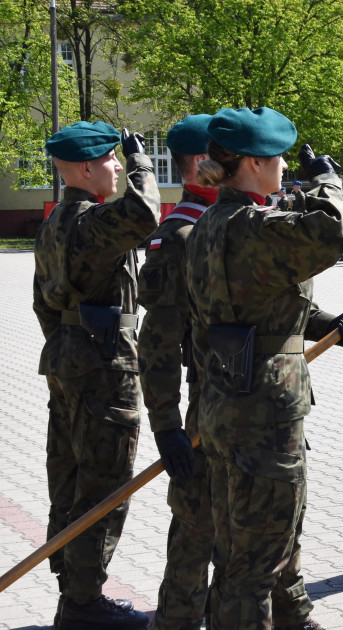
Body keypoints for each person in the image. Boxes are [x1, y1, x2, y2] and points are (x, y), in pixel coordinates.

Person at [185, 106, 343, 629]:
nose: (286, 166)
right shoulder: (254, 226)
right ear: (251, 162)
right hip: (263, 416)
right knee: (254, 563)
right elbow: (331, 235)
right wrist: (329, 181)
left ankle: (295, 620)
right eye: (279, 157)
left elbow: (260, 306)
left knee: (255, 545)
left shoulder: (208, 226)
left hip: (223, 405)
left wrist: (332, 324)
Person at [35, 121, 158, 629]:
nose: (117, 168)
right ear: (86, 168)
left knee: (66, 479)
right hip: (103, 365)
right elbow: (147, 212)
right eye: (111, 161)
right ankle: (84, 603)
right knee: (105, 485)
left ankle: (72, 589)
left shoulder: (54, 222)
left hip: (66, 356)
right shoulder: (91, 222)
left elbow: (42, 301)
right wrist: (142, 162)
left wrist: (65, 341)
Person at [135, 113, 220, 630]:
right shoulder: (179, 233)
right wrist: (166, 425)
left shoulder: (237, 218)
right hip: (205, 415)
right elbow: (160, 342)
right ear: (199, 162)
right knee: (196, 528)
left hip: (257, 412)